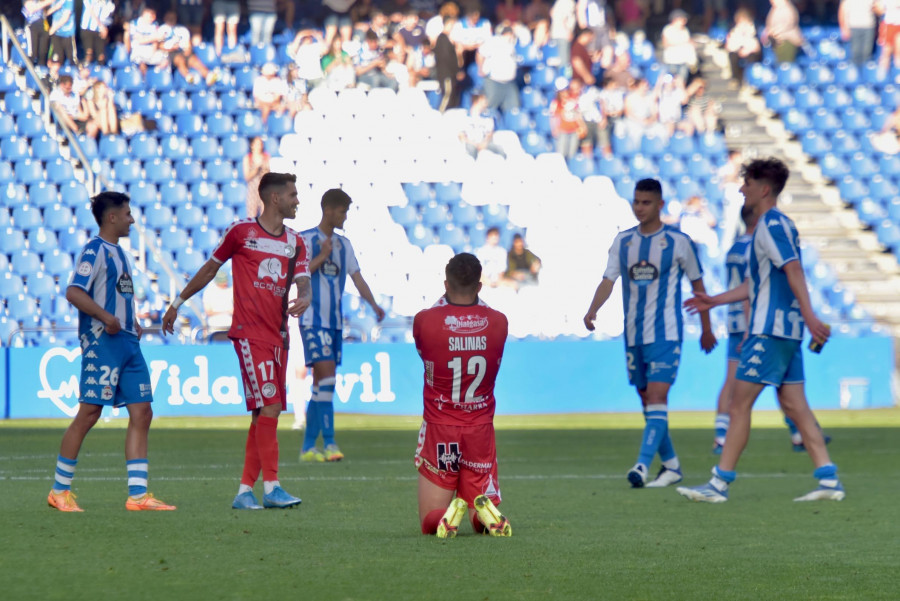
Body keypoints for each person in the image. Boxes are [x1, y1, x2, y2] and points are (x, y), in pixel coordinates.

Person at [677, 157, 845, 503]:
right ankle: (828, 480)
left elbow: (794, 270)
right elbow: (758, 283)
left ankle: (718, 484)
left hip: (769, 331)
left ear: (764, 189)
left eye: (748, 184)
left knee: (739, 406)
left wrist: (812, 317)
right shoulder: (776, 226)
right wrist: (715, 301)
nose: (742, 189)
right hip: (786, 331)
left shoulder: (771, 225)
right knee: (796, 405)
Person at [162, 172, 311, 510]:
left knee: (262, 414)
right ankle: (272, 487)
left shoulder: (296, 241)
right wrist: (176, 303)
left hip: (279, 337)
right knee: (271, 406)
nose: (297, 200)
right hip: (249, 334)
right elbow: (208, 269)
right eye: (293, 195)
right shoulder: (240, 233)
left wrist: (305, 297)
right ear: (274, 199)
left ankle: (245, 491)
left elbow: (304, 281)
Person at [583, 178, 717, 489]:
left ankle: (642, 466)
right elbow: (608, 280)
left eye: (646, 202)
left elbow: (699, 287)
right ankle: (671, 466)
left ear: (659, 204)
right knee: (647, 401)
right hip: (633, 335)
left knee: (657, 396)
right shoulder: (623, 241)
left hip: (667, 333)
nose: (639, 208)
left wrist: (707, 328)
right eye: (636, 202)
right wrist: (593, 310)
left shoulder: (678, 242)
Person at [47, 191, 176, 513]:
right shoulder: (95, 250)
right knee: (89, 413)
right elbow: (74, 291)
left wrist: (132, 322)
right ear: (112, 217)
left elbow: (117, 296)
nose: (132, 219)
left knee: (142, 411)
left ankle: (138, 495)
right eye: (128, 213)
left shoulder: (121, 254)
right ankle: (59, 491)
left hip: (128, 342)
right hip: (102, 341)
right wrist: (106, 318)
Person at [413, 252, 512, 538]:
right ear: (479, 286)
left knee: (429, 520)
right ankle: (484, 516)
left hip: (441, 428)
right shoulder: (498, 322)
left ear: (446, 284)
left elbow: (423, 353)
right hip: (479, 428)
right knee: (479, 507)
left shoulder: (426, 321)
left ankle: (445, 519)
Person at [299, 189, 385, 462]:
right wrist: (321, 257)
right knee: (327, 380)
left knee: (320, 387)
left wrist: (373, 304)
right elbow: (295, 275)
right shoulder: (305, 239)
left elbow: (357, 279)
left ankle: (308, 448)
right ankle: (331, 444)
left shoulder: (344, 245)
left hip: (335, 324)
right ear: (329, 210)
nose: (345, 216)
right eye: (342, 211)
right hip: (313, 320)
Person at [710, 205, 756, 454]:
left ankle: (720, 435)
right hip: (751, 322)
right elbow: (750, 289)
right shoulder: (753, 248)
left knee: (730, 379)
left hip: (733, 319)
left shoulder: (733, 249)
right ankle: (798, 431)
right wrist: (751, 325)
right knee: (780, 376)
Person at [725, 7, 762, 89]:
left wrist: (747, 50)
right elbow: (730, 45)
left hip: (751, 52)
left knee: (752, 58)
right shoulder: (735, 31)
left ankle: (750, 81)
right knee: (732, 56)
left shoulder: (753, 31)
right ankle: (736, 79)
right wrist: (737, 49)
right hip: (739, 51)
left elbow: (756, 47)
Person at [839, 0, 877, 66]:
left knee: (867, 53)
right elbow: (842, 12)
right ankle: (856, 73)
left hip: (869, 27)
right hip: (854, 27)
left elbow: (878, 9)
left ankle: (865, 73)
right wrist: (844, 28)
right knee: (855, 53)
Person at [80, 0, 115, 64]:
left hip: (100, 32)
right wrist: (101, 25)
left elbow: (108, 19)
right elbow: (90, 10)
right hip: (87, 29)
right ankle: (86, 71)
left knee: (101, 57)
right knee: (89, 55)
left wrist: (105, 28)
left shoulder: (109, 4)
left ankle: (99, 71)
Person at [243, 136, 270, 219]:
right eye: (257, 144)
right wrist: (256, 168)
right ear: (252, 145)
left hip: (264, 189)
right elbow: (247, 177)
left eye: (260, 144)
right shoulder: (248, 158)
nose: (259, 146)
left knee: (265, 215)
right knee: (251, 216)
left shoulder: (266, 157)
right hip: (252, 190)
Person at [23, 0, 53, 67]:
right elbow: (31, 9)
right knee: (33, 53)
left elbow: (45, 12)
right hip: (32, 26)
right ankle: (29, 72)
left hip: (43, 25)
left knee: (43, 52)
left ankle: (42, 71)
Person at [46, 0, 76, 65]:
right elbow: (44, 13)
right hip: (56, 34)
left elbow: (66, 17)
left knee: (71, 59)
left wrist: (54, 28)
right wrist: (55, 8)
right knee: (57, 58)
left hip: (67, 33)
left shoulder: (69, 1)